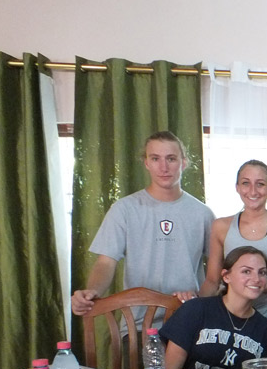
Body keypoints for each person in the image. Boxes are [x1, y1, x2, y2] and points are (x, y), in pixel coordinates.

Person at [71, 131, 214, 319]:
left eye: (171, 159)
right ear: (146, 163)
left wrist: (200, 298)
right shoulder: (124, 209)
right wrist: (91, 292)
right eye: (155, 159)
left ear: (184, 163)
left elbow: (218, 272)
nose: (163, 167)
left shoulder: (203, 213)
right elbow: (105, 262)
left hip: (189, 322)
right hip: (136, 324)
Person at [198, 160, 267, 319]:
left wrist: (258, 284)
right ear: (237, 187)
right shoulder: (221, 226)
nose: (253, 191)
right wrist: (195, 308)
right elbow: (212, 281)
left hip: (266, 317)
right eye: (246, 183)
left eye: (260, 184)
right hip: (225, 316)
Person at [160, 246, 267, 369]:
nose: (256, 279)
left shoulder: (266, 329)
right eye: (246, 271)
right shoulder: (195, 310)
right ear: (226, 276)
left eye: (262, 272)